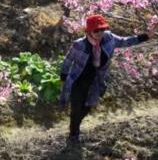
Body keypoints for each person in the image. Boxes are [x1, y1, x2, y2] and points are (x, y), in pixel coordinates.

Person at [59, 14, 151, 145]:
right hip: (78, 80)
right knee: (76, 108)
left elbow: (125, 41)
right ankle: (74, 134)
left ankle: (75, 126)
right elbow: (68, 60)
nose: (100, 33)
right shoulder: (79, 45)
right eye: (96, 30)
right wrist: (63, 76)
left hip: (95, 81)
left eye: (102, 29)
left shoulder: (109, 39)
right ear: (89, 31)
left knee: (88, 107)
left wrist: (145, 37)